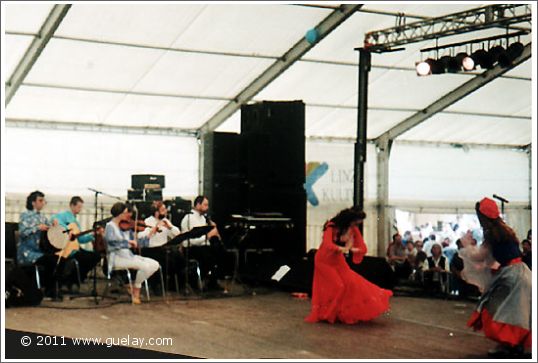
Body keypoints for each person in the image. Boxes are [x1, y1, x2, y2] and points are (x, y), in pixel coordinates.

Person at [460, 198, 531, 357]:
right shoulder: (505, 230)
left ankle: (508, 345)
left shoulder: (493, 233)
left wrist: (466, 245)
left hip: (513, 277)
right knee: (516, 313)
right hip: (521, 273)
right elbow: (499, 257)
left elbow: (480, 256)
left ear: (483, 217)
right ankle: (513, 345)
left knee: (495, 308)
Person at [305, 208, 392, 324]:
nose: (357, 225)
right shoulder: (332, 226)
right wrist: (342, 248)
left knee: (351, 282)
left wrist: (354, 249)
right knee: (339, 286)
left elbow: (362, 247)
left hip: (337, 260)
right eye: (356, 222)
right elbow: (327, 244)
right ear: (349, 220)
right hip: (324, 260)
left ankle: (337, 313)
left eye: (358, 223)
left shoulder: (353, 229)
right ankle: (328, 314)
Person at [104, 202, 160, 304]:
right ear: (119, 213)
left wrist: (149, 235)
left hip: (128, 256)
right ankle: (136, 290)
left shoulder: (126, 228)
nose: (128, 215)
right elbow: (112, 243)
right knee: (144, 266)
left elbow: (137, 243)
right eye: (125, 213)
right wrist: (128, 243)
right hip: (116, 258)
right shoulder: (110, 226)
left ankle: (135, 286)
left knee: (155, 264)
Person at [18, 191, 64, 298]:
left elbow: (50, 231)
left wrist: (54, 225)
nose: (43, 203)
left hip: (40, 251)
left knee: (60, 259)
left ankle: (51, 287)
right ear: (33, 202)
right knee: (51, 260)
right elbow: (22, 232)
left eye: (44, 201)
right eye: (40, 200)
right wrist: (37, 228)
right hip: (28, 252)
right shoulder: (25, 215)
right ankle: (49, 288)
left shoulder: (42, 217)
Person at [50, 196, 102, 292]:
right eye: (78, 207)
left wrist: (93, 235)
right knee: (85, 258)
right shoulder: (64, 215)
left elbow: (80, 239)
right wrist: (67, 229)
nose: (80, 209)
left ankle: (76, 280)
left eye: (81, 207)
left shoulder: (76, 222)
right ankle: (71, 281)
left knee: (96, 256)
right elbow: (54, 219)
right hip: (66, 249)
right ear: (72, 206)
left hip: (75, 248)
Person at [139, 201, 185, 293]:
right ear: (156, 212)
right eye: (163, 210)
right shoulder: (147, 222)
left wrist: (170, 227)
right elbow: (141, 238)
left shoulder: (166, 221)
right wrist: (153, 230)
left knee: (180, 259)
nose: (166, 212)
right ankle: (157, 285)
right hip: (150, 250)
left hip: (163, 249)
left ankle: (174, 285)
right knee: (164, 261)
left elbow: (177, 235)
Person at [180, 195, 224, 290]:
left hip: (203, 246)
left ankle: (212, 281)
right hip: (191, 248)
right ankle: (204, 281)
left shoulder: (203, 218)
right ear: (198, 204)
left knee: (220, 252)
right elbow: (192, 240)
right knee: (208, 255)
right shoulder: (189, 218)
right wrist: (208, 236)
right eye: (205, 205)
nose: (207, 208)